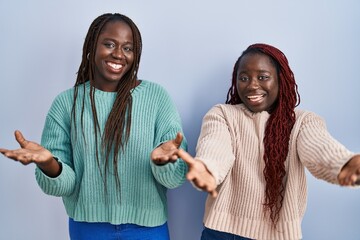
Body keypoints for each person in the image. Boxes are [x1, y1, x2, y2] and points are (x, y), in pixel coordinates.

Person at [0, 13, 187, 240]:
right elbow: (63, 185)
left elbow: (175, 178)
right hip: (88, 230)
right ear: (91, 47)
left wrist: (164, 162)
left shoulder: (157, 98)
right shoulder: (67, 103)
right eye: (109, 44)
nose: (118, 54)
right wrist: (49, 164)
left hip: (148, 230)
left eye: (128, 48)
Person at [154, 43, 360, 240]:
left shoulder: (303, 122)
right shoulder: (223, 114)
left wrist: (344, 164)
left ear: (281, 80)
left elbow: (318, 148)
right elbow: (216, 148)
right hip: (222, 234)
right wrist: (206, 169)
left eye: (263, 77)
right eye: (243, 78)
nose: (252, 85)